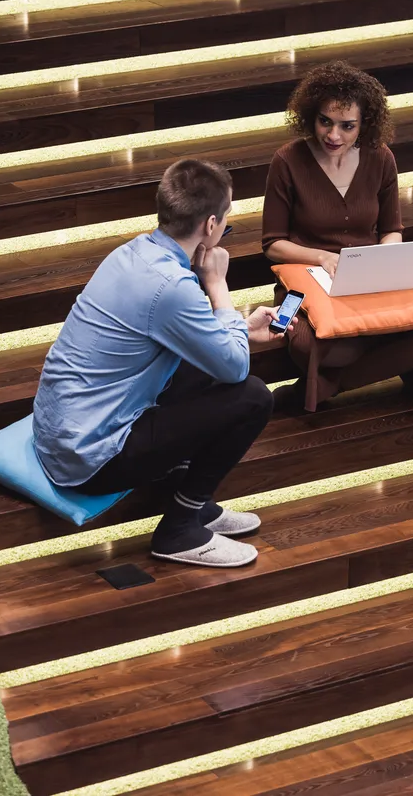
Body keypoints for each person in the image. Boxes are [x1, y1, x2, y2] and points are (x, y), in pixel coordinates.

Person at [32, 158, 288, 567]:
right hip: (90, 457)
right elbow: (235, 368)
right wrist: (218, 284)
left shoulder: (131, 253)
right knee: (252, 397)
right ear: (209, 225)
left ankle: (197, 508)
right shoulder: (172, 287)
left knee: (201, 363)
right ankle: (179, 529)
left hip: (60, 433)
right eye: (227, 216)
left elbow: (204, 343)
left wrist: (239, 329)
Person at [262, 60, 413, 411]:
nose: (334, 136)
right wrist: (322, 257)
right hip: (304, 280)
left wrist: (384, 260)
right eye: (325, 122)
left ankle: (320, 389)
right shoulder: (287, 160)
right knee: (308, 344)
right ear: (310, 115)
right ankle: (393, 363)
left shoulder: (381, 158)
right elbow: (273, 245)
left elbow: (392, 230)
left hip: (367, 281)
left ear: (364, 125)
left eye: (347, 126)